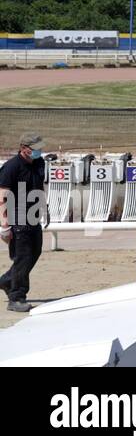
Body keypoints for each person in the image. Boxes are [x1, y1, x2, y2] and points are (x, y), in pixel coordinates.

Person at [0, 133, 48, 312]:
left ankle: (6, 281)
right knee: (23, 258)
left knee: (34, 253)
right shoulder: (11, 167)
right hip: (17, 218)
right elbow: (2, 197)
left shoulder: (39, 163)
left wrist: (44, 207)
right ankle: (17, 297)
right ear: (24, 149)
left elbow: (39, 186)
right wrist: (5, 226)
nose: (39, 152)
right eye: (35, 149)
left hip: (33, 216)